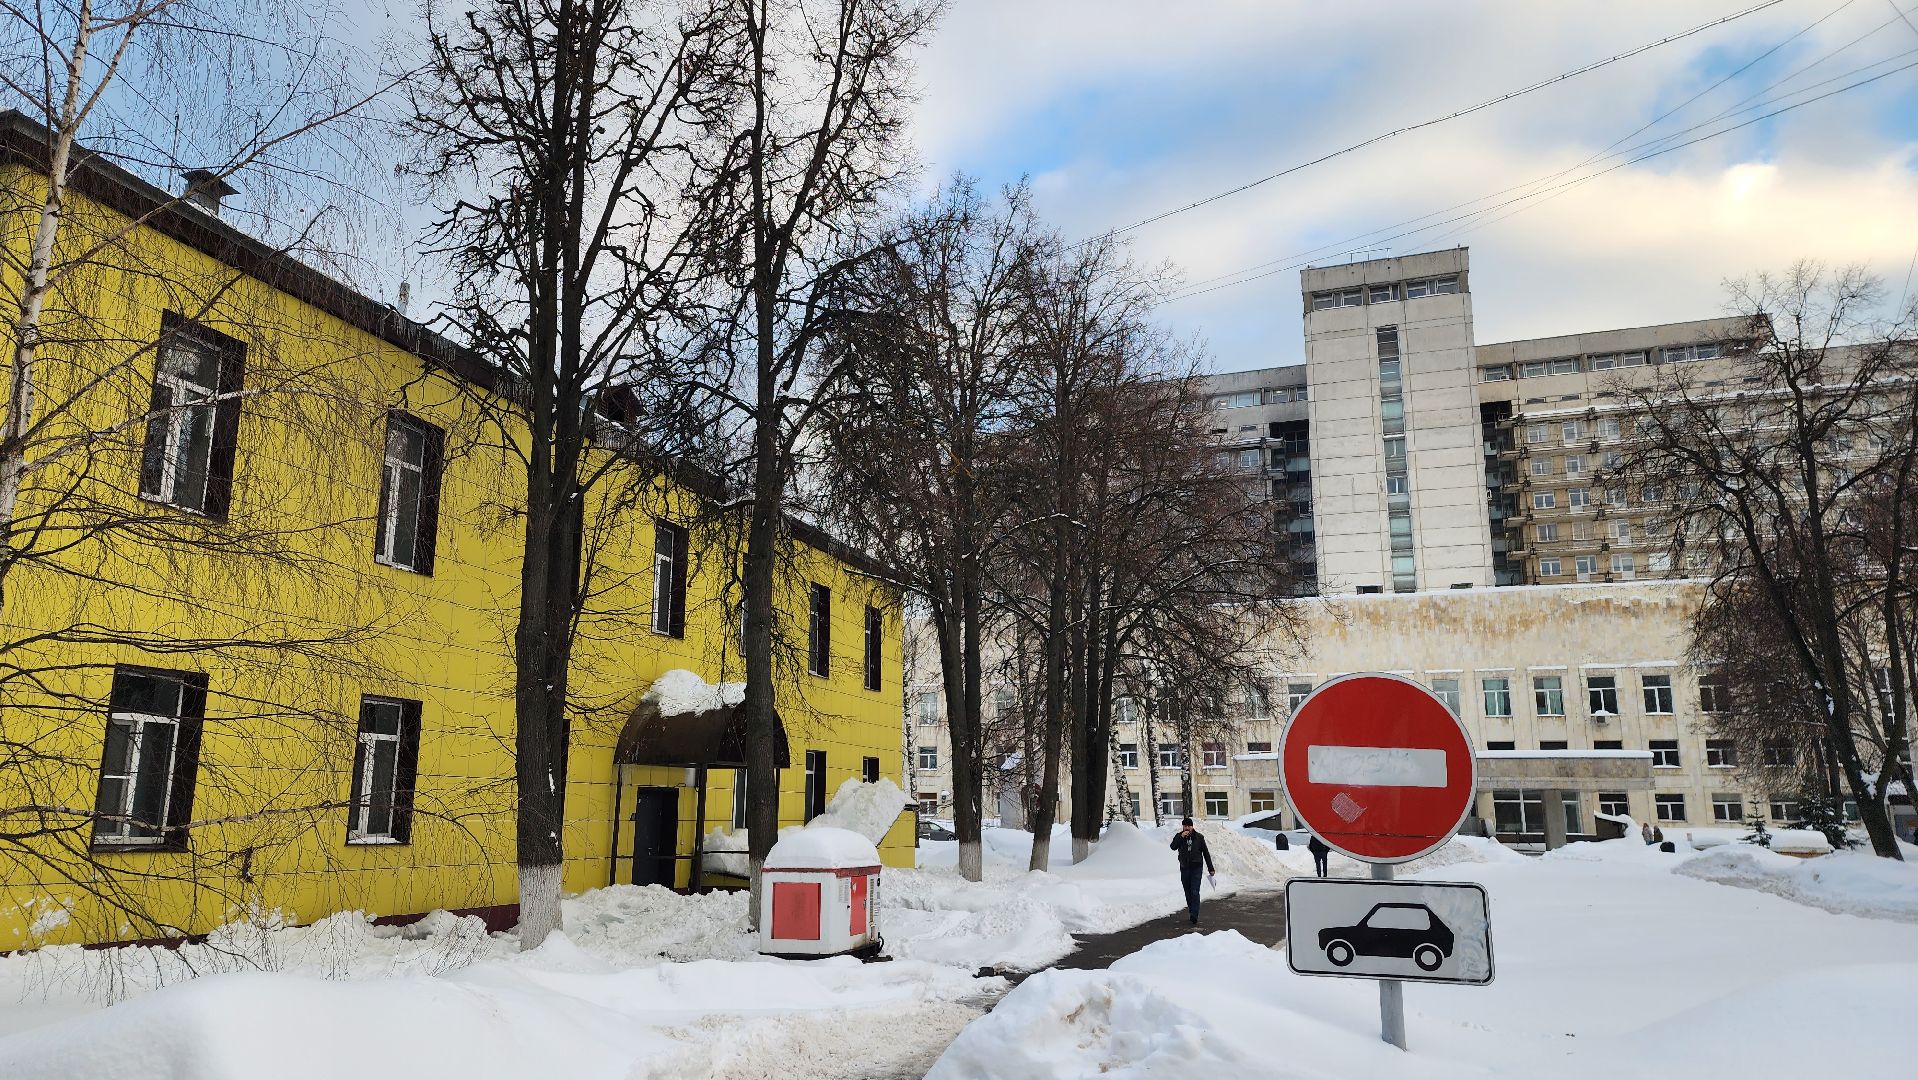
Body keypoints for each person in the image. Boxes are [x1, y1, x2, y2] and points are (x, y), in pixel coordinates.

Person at [1169, 817, 1216, 926]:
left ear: (1192, 826)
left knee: (1194, 891)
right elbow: (1173, 847)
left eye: (1188, 826)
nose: (1186, 828)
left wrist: (1211, 868)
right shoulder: (1179, 836)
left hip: (1196, 868)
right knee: (1188, 891)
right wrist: (1180, 837)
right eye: (1185, 826)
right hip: (1184, 868)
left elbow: (1206, 853)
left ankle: (1194, 914)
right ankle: (1191, 910)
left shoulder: (1199, 837)